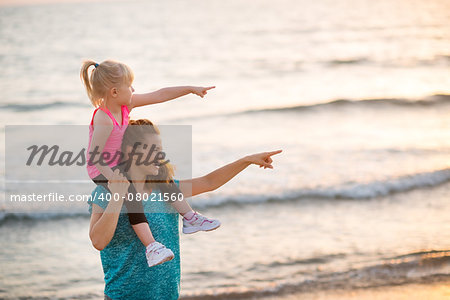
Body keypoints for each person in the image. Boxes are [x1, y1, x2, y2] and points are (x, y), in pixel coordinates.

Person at [88, 118, 282, 299]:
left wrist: (246, 160)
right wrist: (117, 197)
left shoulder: (166, 188)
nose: (160, 155)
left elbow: (209, 182)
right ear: (131, 151)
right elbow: (98, 241)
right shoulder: (105, 192)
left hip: (168, 295)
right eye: (153, 149)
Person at [80, 59, 218, 267]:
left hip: (119, 163)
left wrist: (190, 89)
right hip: (102, 169)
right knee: (131, 195)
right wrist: (115, 180)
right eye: (130, 85)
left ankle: (189, 217)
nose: (134, 89)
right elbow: (94, 155)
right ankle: (152, 246)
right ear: (115, 92)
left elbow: (160, 95)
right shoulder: (104, 118)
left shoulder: (127, 105)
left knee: (160, 174)